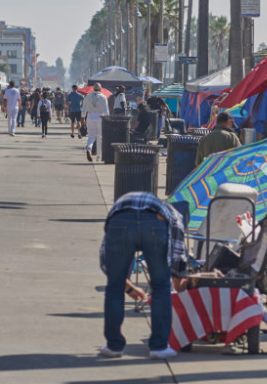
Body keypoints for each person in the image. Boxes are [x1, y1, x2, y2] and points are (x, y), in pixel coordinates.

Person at [98, 191, 185, 360]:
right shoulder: (172, 214)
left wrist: (127, 287)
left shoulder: (121, 206)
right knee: (160, 286)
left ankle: (113, 346)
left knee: (114, 287)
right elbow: (178, 246)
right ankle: (159, 347)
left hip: (120, 221)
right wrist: (178, 276)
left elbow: (106, 260)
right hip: (154, 223)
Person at [82, 83, 110, 162]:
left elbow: (84, 108)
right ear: (100, 89)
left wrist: (82, 117)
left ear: (93, 89)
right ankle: (98, 156)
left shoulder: (88, 96)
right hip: (100, 118)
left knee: (91, 136)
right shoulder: (104, 97)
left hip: (90, 117)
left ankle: (89, 148)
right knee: (99, 137)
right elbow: (106, 110)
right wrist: (107, 119)